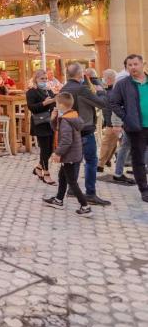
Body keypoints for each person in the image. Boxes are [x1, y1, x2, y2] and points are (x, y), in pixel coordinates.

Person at [61, 62, 109, 206]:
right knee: (91, 161)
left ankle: (71, 189)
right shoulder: (82, 89)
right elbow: (101, 104)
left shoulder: (63, 89)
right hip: (85, 129)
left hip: (70, 130)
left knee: (75, 160)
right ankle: (90, 193)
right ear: (79, 74)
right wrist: (101, 91)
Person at [43, 92, 92, 216]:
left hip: (69, 155)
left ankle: (85, 206)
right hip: (73, 154)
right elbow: (57, 129)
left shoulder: (66, 120)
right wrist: (53, 119)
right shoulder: (72, 116)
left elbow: (66, 140)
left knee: (72, 181)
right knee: (62, 176)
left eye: (56, 104)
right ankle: (59, 200)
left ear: (61, 105)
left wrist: (58, 153)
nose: (55, 106)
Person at [109, 54, 148, 204]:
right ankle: (144, 190)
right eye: (129, 65)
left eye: (135, 64)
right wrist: (126, 118)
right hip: (136, 128)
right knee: (138, 160)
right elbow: (113, 103)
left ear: (142, 64)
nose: (133, 67)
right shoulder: (123, 84)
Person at [26, 69, 56, 184]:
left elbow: (53, 103)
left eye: (46, 79)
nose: (44, 81)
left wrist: (54, 101)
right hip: (40, 123)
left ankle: (38, 168)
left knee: (50, 149)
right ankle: (46, 174)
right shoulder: (31, 92)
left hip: (50, 122)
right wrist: (44, 103)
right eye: (42, 79)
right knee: (44, 149)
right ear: (36, 79)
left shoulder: (48, 91)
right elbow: (32, 107)